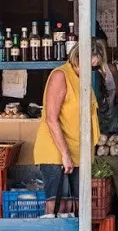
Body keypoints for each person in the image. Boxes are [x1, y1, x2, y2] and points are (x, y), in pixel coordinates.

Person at [34, 41, 102, 216]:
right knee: (59, 205)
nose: (91, 71)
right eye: (90, 66)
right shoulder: (61, 75)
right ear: (78, 58)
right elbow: (51, 118)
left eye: (94, 68)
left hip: (77, 151)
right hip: (57, 151)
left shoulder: (82, 81)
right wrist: (65, 154)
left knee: (74, 206)